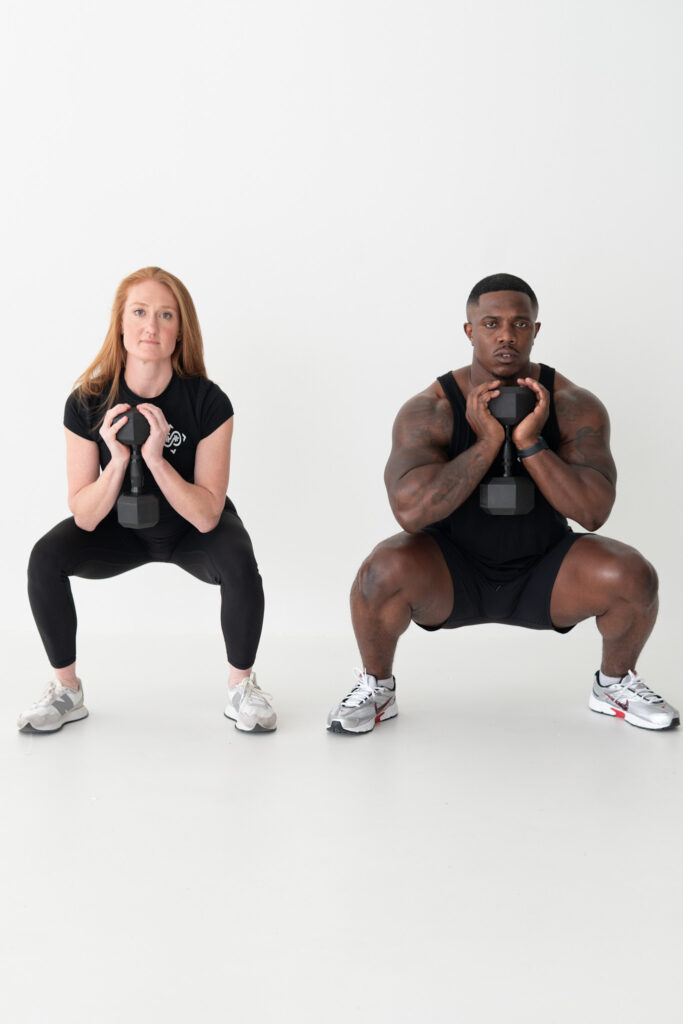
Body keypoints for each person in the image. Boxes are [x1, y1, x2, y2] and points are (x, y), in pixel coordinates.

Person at [327, 273, 678, 734]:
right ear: (470, 331)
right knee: (379, 573)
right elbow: (410, 515)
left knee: (634, 576)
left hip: (545, 571)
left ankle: (613, 684)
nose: (506, 336)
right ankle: (377, 688)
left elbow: (593, 513)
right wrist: (487, 442)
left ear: (535, 330)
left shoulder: (573, 404)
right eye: (491, 323)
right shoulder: (430, 409)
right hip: (453, 573)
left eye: (519, 324)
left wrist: (530, 442)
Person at [20, 267, 276, 734]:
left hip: (186, 530)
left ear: (181, 330)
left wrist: (157, 459)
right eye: (139, 312)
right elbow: (85, 512)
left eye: (165, 315)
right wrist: (117, 460)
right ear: (120, 323)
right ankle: (66, 692)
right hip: (118, 528)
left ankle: (242, 689)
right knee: (45, 558)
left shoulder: (209, 403)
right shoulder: (87, 402)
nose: (150, 326)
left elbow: (207, 515)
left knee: (239, 558)